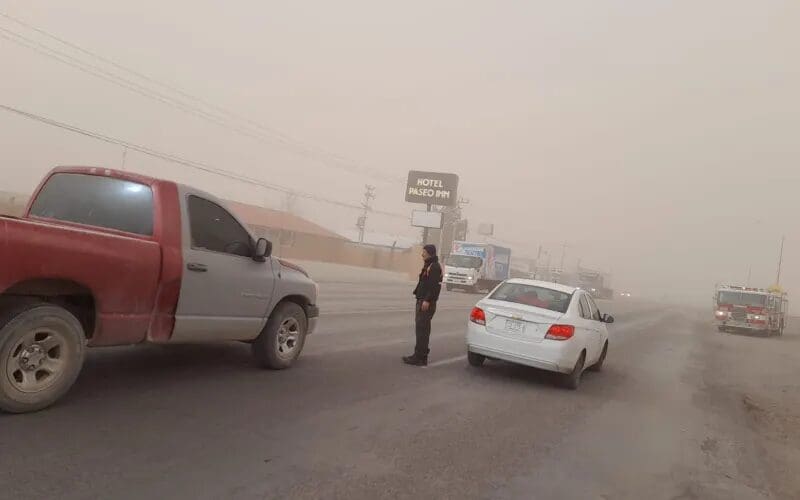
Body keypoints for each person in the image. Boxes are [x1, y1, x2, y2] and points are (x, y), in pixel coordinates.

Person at [403, 244, 443, 366]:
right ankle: (418, 354)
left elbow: (434, 286)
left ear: (429, 253)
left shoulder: (434, 267)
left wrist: (427, 300)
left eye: (424, 252)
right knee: (421, 329)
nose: (422, 254)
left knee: (423, 330)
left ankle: (421, 357)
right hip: (422, 300)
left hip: (426, 303)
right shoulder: (429, 265)